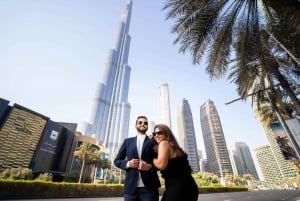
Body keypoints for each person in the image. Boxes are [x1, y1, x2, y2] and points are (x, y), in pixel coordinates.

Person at [114, 115, 161, 201]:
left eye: (145, 123)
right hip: (131, 189)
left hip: (150, 189)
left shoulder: (154, 142)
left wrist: (149, 167)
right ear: (136, 125)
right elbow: (117, 161)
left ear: (147, 126)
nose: (143, 124)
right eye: (140, 122)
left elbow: (161, 163)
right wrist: (128, 164)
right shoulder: (127, 141)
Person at [152, 124, 199, 201]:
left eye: (159, 133)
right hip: (191, 188)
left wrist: (151, 159)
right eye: (154, 134)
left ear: (166, 134)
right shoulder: (177, 148)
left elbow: (161, 165)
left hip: (177, 189)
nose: (156, 135)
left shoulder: (164, 143)